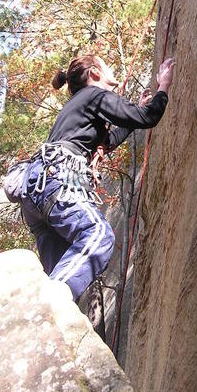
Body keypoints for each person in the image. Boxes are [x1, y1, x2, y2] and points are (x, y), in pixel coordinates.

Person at [21, 53, 175, 302]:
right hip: (55, 180)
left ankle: (46, 316)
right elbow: (148, 117)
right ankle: (46, 306)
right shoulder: (94, 95)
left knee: (62, 271)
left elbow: (109, 141)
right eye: (106, 65)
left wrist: (133, 114)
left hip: (38, 190)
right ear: (94, 73)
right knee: (98, 235)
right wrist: (164, 86)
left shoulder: (79, 109)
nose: (110, 69)